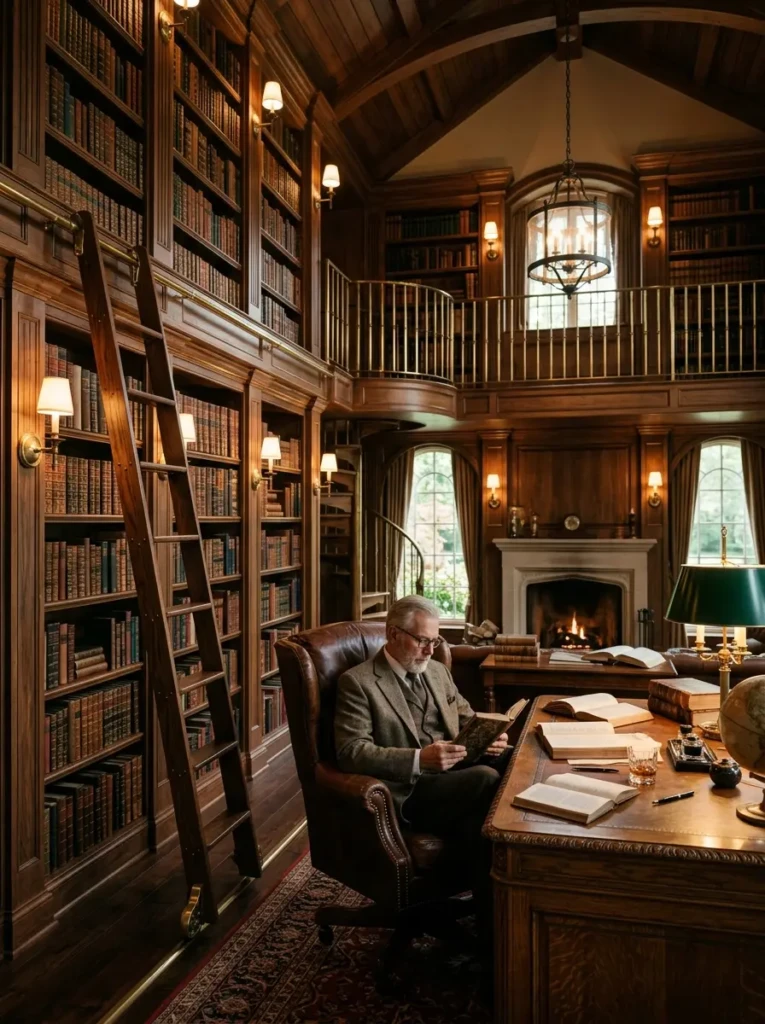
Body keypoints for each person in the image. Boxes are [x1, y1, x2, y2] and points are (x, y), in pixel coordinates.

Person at [334, 594, 510, 930]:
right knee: (486, 779)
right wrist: (419, 759)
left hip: (453, 772)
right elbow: (351, 751)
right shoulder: (358, 682)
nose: (430, 650)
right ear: (393, 633)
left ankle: (492, 886)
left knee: (511, 760)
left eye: (435, 640)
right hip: (408, 790)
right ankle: (485, 902)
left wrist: (490, 737)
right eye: (422, 641)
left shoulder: (438, 671)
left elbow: (467, 718)